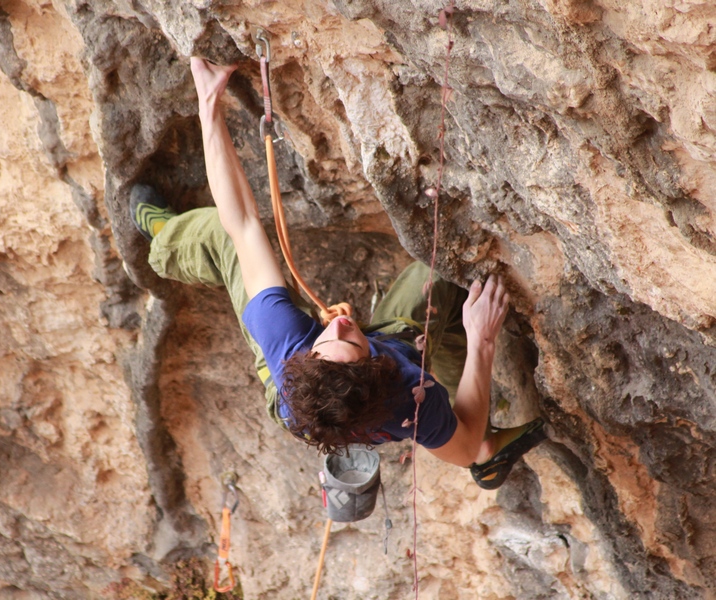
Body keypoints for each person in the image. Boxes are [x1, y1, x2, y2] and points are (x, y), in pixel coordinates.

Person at [131, 57, 545, 489]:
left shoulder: (286, 337)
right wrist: (482, 340)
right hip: (384, 389)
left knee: (223, 233)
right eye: (351, 340)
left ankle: (166, 238)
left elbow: (244, 224)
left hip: (322, 384)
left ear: (312, 353)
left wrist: (208, 103)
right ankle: (167, 241)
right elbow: (458, 455)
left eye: (331, 339)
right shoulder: (408, 393)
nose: (342, 324)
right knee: (441, 276)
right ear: (380, 364)